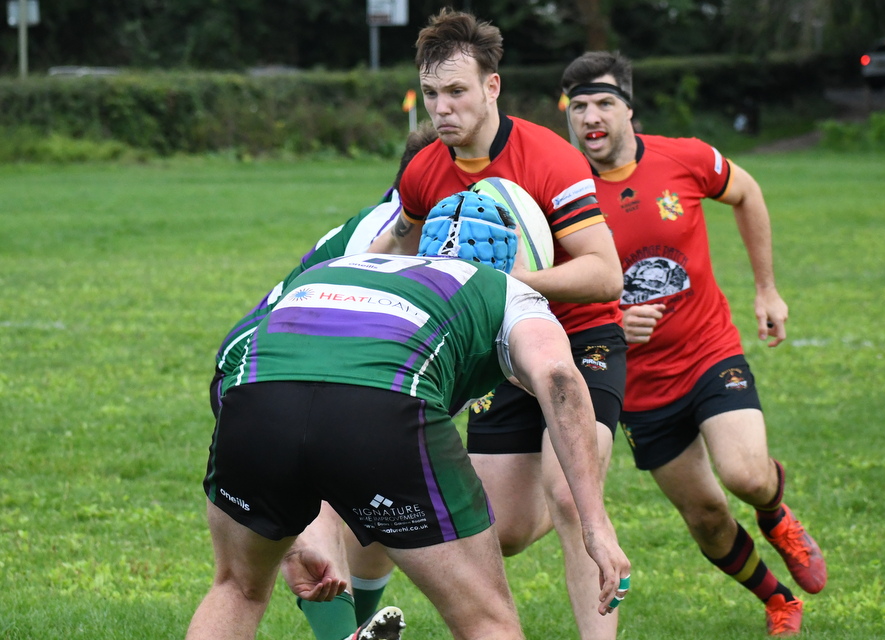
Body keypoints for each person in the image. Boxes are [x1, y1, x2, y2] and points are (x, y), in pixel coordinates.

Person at [188, 191, 631, 640]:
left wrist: (287, 523)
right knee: (485, 619)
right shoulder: (507, 288)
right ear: (516, 259)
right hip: (383, 411)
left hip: (254, 404)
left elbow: (245, 360)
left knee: (237, 589)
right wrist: (594, 525)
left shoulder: (341, 265)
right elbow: (558, 378)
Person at [367, 10, 627, 638]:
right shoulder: (424, 169)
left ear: (492, 87)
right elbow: (396, 249)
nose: (441, 108)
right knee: (502, 530)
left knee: (571, 496)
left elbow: (605, 274)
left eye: (456, 91)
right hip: (500, 350)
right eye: (431, 93)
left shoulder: (550, 159)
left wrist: (509, 281)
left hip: (580, 339)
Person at [560, 51, 827, 636]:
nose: (590, 116)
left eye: (603, 102)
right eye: (578, 106)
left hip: (709, 352)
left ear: (630, 109)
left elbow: (748, 193)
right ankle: (779, 600)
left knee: (746, 475)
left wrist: (767, 289)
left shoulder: (685, 157)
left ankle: (775, 515)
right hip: (638, 385)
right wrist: (613, 320)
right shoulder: (562, 192)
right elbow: (555, 287)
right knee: (705, 517)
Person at [209, 125, 437, 639]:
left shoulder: (438, 229)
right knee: (320, 507)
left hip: (327, 378)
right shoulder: (381, 234)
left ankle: (351, 630)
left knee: (383, 507)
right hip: (270, 375)